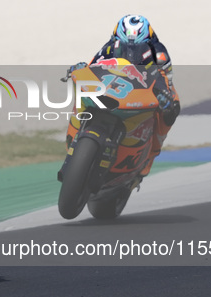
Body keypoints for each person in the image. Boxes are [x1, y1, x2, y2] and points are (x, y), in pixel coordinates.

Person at [67, 14, 180, 177]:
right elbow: (94, 65)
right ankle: (75, 128)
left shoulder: (159, 53)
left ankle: (150, 156)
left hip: (148, 88)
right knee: (81, 89)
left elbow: (164, 77)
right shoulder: (109, 46)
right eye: (123, 45)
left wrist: (165, 96)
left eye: (138, 47)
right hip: (115, 85)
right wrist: (80, 68)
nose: (129, 51)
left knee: (172, 109)